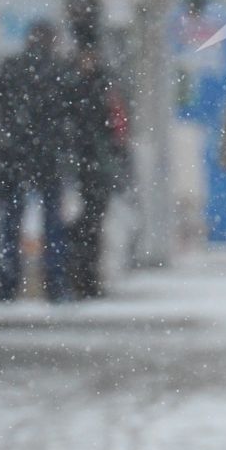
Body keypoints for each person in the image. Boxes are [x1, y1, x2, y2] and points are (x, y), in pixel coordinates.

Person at [0, 22, 76, 303]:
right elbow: (69, 114)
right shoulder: (59, 71)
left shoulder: (12, 67)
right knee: (53, 224)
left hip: (14, 156)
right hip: (47, 158)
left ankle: (7, 282)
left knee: (11, 224)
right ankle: (56, 283)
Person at [61, 20, 125, 300]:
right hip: (81, 166)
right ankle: (80, 278)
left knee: (92, 225)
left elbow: (114, 128)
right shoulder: (79, 84)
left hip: (92, 166)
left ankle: (87, 278)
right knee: (84, 225)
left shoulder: (94, 84)